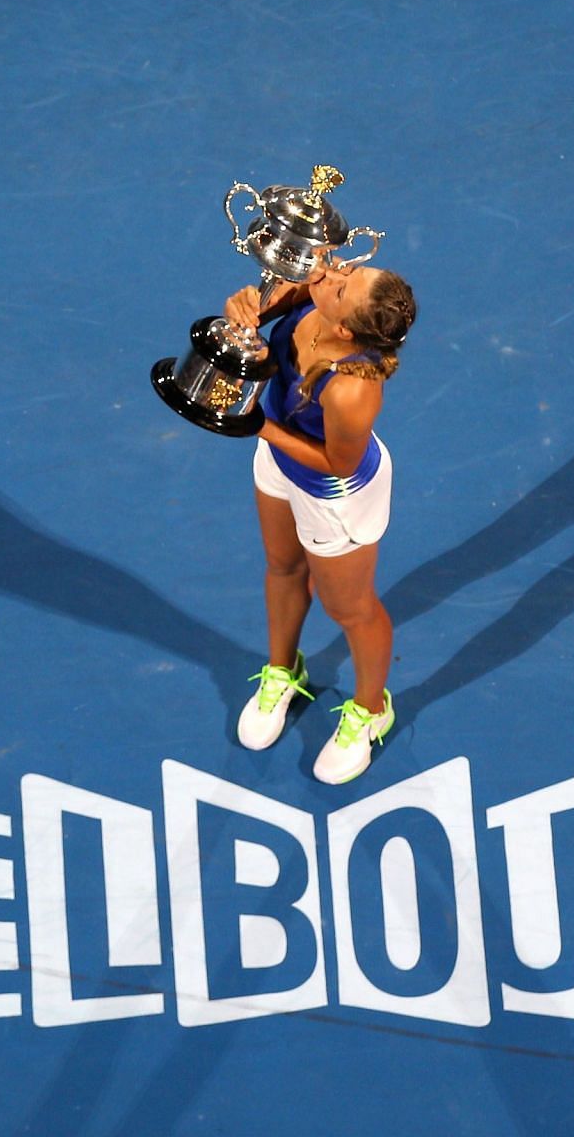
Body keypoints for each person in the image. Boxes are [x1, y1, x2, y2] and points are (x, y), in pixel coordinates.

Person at [221, 254, 418, 783]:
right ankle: (284, 671)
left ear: (345, 327)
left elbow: (336, 462)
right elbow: (276, 297)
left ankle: (372, 709)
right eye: (345, 273)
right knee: (282, 566)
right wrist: (247, 312)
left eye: (339, 287)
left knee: (349, 609)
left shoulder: (354, 389)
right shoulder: (319, 293)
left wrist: (256, 424)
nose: (330, 275)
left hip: (333, 490)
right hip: (279, 453)